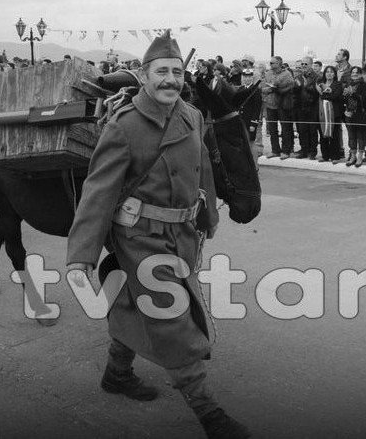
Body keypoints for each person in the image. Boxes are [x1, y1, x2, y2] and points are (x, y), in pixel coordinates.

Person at [65, 33, 249, 438]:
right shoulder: (125, 125)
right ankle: (210, 416)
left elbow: (202, 171)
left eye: (177, 72)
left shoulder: (192, 116)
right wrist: (81, 254)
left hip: (182, 232)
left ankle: (117, 374)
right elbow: (99, 191)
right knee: (171, 316)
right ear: (145, 76)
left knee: (133, 302)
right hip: (140, 236)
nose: (171, 80)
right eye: (162, 72)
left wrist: (208, 217)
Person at [261, 56, 295, 160]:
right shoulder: (268, 73)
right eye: (270, 63)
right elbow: (263, 86)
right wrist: (267, 90)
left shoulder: (287, 74)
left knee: (285, 128)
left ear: (279, 64)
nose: (270, 65)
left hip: (283, 105)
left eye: (272, 63)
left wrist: (276, 88)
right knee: (272, 129)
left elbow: (290, 86)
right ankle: (275, 150)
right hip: (270, 104)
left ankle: (286, 150)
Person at [343, 66, 366, 167]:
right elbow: (345, 100)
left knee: (360, 136)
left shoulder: (364, 85)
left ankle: (360, 156)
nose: (354, 74)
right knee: (351, 136)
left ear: (361, 74)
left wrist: (353, 93)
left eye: (357, 73)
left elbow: (363, 99)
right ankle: (353, 155)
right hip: (349, 114)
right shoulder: (348, 84)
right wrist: (346, 108)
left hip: (360, 114)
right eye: (353, 73)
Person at [317, 65, 344, 163]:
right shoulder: (320, 84)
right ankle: (325, 156)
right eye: (327, 71)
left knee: (334, 135)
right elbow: (321, 96)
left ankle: (335, 156)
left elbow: (335, 96)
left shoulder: (338, 84)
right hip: (322, 113)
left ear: (335, 74)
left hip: (334, 113)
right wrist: (326, 93)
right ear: (324, 74)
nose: (329, 73)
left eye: (331, 72)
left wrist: (324, 93)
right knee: (323, 134)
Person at [293, 63, 319, 159]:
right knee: (302, 130)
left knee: (312, 130)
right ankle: (304, 150)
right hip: (301, 107)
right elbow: (294, 92)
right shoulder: (298, 76)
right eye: (302, 64)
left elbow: (316, 92)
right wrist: (297, 87)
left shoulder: (316, 76)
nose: (303, 65)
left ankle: (313, 151)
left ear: (311, 64)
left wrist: (306, 86)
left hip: (312, 107)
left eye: (306, 64)